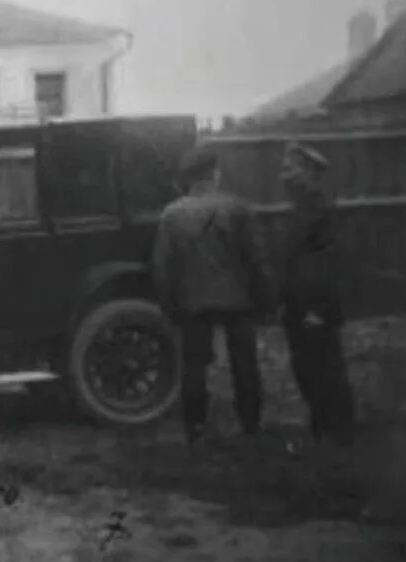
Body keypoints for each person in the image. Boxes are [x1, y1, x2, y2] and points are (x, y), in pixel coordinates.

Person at [152, 146, 276, 443]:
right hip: (238, 299)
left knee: (194, 366)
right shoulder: (237, 208)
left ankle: (195, 427)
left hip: (194, 301)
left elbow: (162, 266)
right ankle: (250, 424)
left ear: (190, 179)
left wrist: (170, 305)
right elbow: (257, 259)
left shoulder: (173, 214)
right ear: (214, 174)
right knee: (244, 363)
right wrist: (267, 299)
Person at [277, 141, 355, 446]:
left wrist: (316, 309)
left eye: (290, 170)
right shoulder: (301, 210)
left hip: (314, 308)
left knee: (326, 369)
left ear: (309, 173)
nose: (284, 177)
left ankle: (339, 431)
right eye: (283, 170)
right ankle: (323, 427)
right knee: (307, 369)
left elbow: (323, 265)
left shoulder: (318, 211)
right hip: (299, 307)